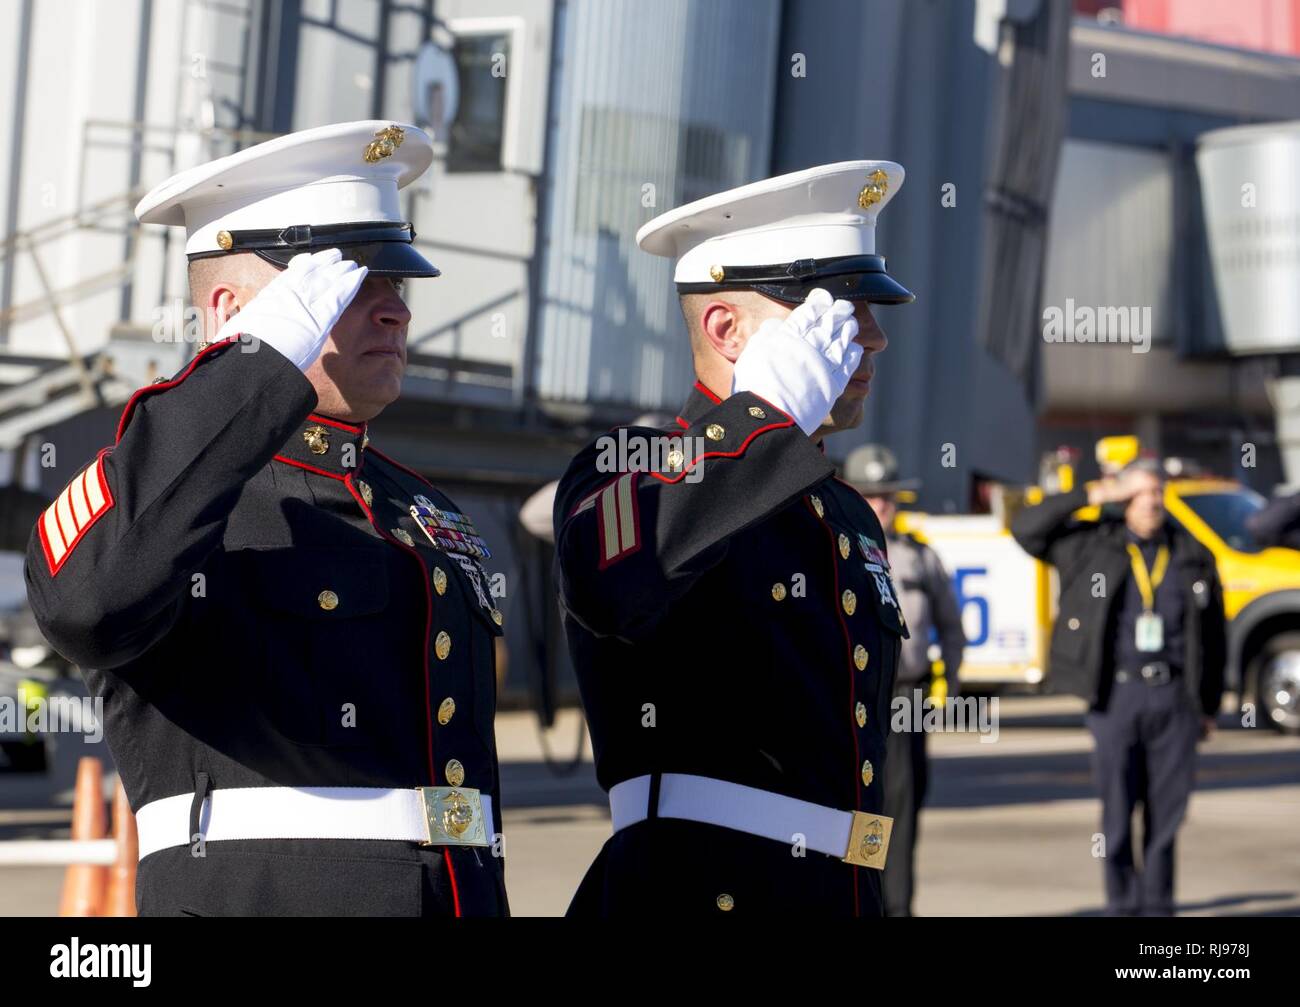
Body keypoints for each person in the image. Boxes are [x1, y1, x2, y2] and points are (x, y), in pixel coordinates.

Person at [24, 121, 508, 917]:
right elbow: (86, 602)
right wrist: (250, 368)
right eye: (350, 284)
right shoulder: (159, 498)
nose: (395, 313)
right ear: (231, 311)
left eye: (396, 283)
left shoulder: (420, 507)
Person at [554, 161, 915, 916]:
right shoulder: (635, 464)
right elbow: (614, 582)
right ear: (726, 328)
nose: (873, 338)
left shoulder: (842, 510)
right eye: (839, 313)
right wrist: (762, 414)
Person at [1010, 458, 1226, 916]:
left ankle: (1158, 907)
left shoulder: (1191, 553)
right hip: (1116, 698)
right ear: (1122, 497)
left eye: (1157, 494)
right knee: (1117, 814)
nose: (1150, 503)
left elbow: (1213, 637)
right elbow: (1027, 529)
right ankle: (1123, 906)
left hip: (1173, 700)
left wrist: (1208, 706)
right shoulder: (1092, 545)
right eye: (1139, 494)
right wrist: (1093, 494)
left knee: (1167, 817)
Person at [842, 444, 964, 916]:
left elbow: (951, 627)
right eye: (870, 496)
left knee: (902, 809)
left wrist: (948, 688)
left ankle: (897, 908)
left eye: (887, 496)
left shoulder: (919, 556)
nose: (880, 506)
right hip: (854, 700)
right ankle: (862, 903)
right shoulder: (838, 549)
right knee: (859, 811)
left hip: (906, 699)